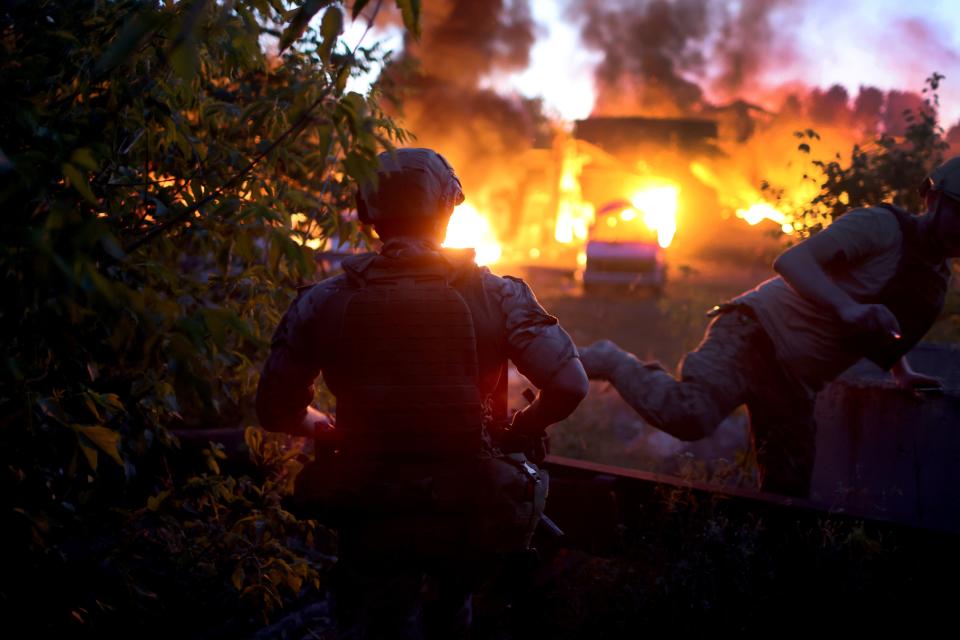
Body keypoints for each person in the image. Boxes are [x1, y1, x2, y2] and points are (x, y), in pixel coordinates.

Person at [255, 148, 588, 639]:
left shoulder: (322, 300)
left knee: (370, 623)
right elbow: (569, 384)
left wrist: (325, 428)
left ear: (368, 216)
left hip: (369, 511)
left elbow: (275, 409)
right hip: (465, 507)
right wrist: (521, 429)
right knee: (454, 615)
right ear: (448, 211)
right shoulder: (499, 295)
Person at [579, 156, 960, 498]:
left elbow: (888, 329)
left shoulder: (935, 282)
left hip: (794, 380)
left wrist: (902, 372)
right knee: (690, 415)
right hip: (754, 332)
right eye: (959, 213)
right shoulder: (880, 226)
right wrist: (845, 307)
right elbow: (792, 262)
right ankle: (610, 360)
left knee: (788, 495)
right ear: (933, 199)